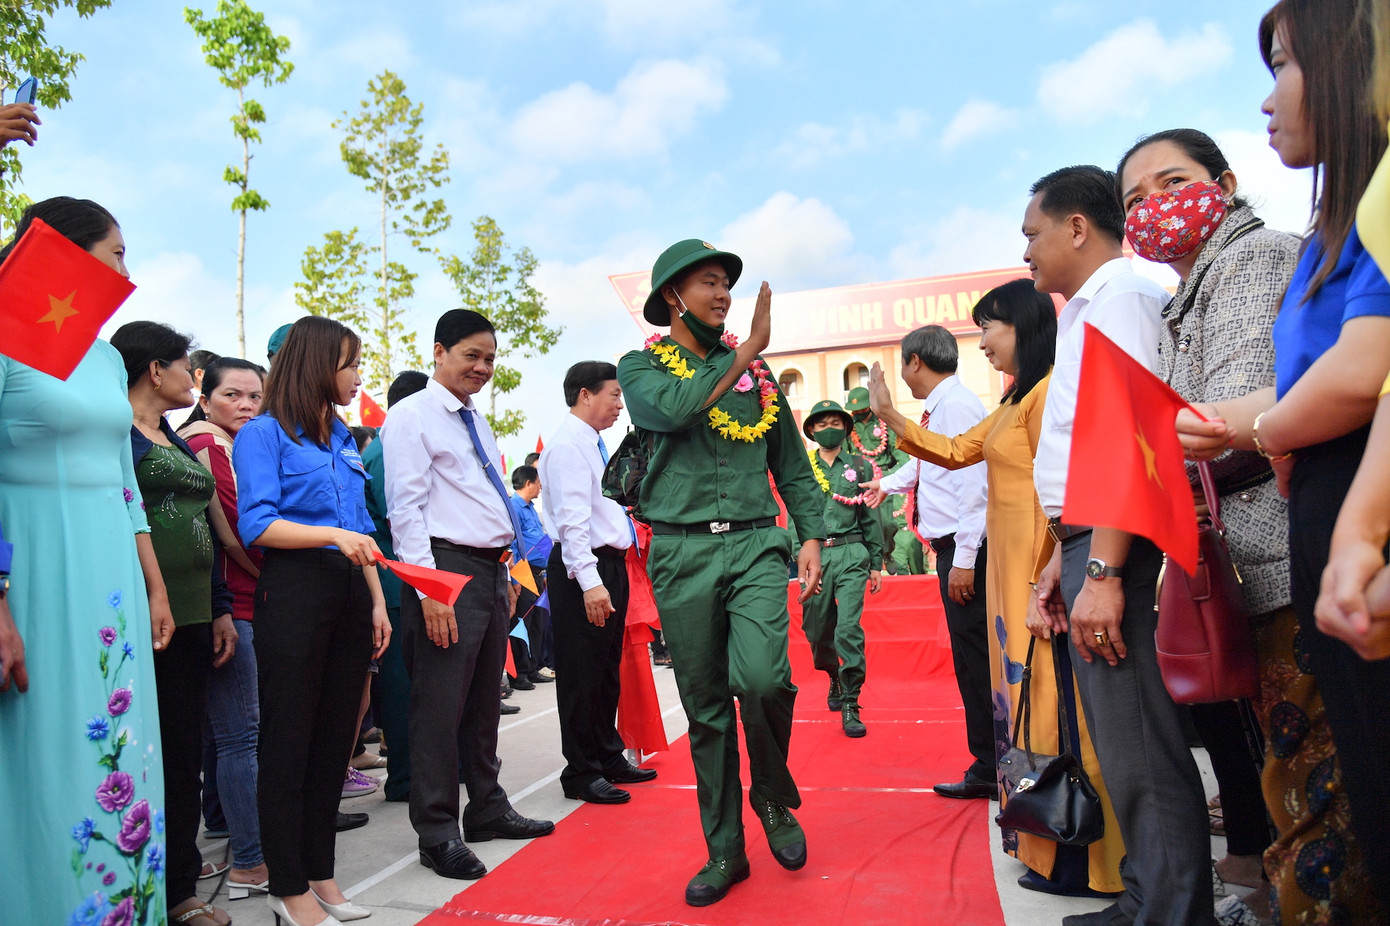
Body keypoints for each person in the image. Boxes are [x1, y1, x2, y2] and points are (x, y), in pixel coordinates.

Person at [1118, 127, 1382, 923]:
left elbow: (1224, 414)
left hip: (1274, 540)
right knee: (1286, 764)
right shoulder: (1191, 290)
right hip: (1248, 555)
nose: (1155, 208)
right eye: (1136, 199)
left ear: (1224, 182)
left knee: (1315, 777)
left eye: (1173, 183)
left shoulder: (1250, 258)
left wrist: (1170, 440)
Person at [1178, 2, 1390, 915]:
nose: (1269, 99)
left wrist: (1257, 435)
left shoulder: (1280, 248)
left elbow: (1363, 369)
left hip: (1352, 511)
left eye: (1285, 67)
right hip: (1329, 514)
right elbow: (1310, 381)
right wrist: (1223, 423)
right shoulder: (1337, 223)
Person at [866, 281, 1129, 901]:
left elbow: (1071, 491)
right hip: (1008, 581)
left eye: (992, 327)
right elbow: (956, 452)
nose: (981, 342)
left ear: (1029, 329)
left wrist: (1056, 569)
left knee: (1062, 709)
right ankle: (1041, 841)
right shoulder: (1013, 404)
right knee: (1024, 705)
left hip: (1042, 577)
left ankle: (1087, 859)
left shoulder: (1048, 396)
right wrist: (888, 417)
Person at [1024, 165, 1209, 926]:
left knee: (1138, 738)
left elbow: (1133, 443)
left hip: (1115, 543)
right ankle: (1146, 895)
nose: (1028, 252)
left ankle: (1172, 910)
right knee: (1123, 743)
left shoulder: (1124, 299)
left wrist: (1102, 568)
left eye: (1033, 234)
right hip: (1087, 540)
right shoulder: (1086, 311)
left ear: (1075, 226)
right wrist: (1063, 563)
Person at [616, 238, 826, 907]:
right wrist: (744, 351)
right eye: (707, 282)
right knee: (706, 712)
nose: (722, 294)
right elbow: (671, 411)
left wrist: (813, 533)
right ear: (672, 297)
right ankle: (725, 850)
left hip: (756, 546)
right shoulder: (640, 368)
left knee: (764, 680)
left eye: (725, 284)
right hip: (678, 554)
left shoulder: (758, 380)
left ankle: (771, 796)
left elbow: (791, 463)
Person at [0, 196, 173, 926]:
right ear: (59, 255)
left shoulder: (104, 357)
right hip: (34, 567)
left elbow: (125, 480)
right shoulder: (5, 336)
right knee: (45, 749)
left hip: (112, 580)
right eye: (114, 253)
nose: (125, 270)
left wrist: (154, 585)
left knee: (120, 740)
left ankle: (127, 910)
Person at [382, 309, 555, 883]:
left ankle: (486, 807)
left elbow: (484, 499)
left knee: (484, 696)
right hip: (443, 570)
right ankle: (436, 832)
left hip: (486, 569)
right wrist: (430, 589)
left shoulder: (473, 419)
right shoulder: (412, 416)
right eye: (469, 356)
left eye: (489, 358)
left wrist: (504, 570)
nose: (481, 368)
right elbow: (404, 508)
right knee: (438, 706)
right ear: (439, 352)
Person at [233, 316, 391, 926]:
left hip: (352, 589)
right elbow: (257, 524)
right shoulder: (263, 434)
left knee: (335, 743)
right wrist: (330, 536)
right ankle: (287, 883)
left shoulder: (342, 437)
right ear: (318, 365)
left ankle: (321, 874)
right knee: (289, 740)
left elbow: (364, 532)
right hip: (296, 591)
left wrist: (376, 600)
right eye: (350, 364)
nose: (356, 376)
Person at [114, 322, 237, 926]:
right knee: (145, 756)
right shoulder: (115, 436)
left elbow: (207, 527)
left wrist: (219, 606)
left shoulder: (172, 435)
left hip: (193, 616)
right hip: (140, 619)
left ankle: (180, 885)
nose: (195, 377)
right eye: (187, 367)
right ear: (154, 370)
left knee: (185, 751)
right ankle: (149, 884)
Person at [861, 326, 992, 798]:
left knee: (975, 657)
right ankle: (990, 760)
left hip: (963, 544)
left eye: (902, 363)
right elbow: (925, 463)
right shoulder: (941, 407)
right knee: (969, 655)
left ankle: (990, 765)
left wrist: (966, 559)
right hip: (955, 545)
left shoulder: (955, 406)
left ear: (915, 361)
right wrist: (887, 484)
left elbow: (973, 485)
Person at [539, 360, 655, 803]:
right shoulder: (569, 445)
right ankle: (581, 771)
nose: (619, 405)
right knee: (581, 672)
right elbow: (571, 522)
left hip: (608, 565)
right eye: (613, 395)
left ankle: (607, 755)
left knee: (606, 669)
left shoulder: (593, 443)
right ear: (585, 394)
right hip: (582, 568)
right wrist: (589, 581)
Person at [178, 357, 272, 895]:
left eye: (254, 397)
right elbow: (242, 528)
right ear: (204, 395)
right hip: (231, 603)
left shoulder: (224, 444)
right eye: (233, 395)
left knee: (226, 736)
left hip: (230, 601)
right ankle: (251, 863)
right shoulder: (210, 446)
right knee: (241, 736)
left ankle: (226, 827)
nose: (245, 406)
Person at [362, 370, 429, 803]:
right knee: (404, 687)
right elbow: (401, 514)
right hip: (395, 582)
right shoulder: (390, 450)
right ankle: (406, 777)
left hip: (399, 580)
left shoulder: (386, 446)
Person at [798, 399, 882, 738]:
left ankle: (851, 700)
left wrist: (876, 562)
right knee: (818, 630)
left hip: (851, 552)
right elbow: (796, 517)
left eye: (835, 422)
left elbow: (870, 515)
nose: (828, 428)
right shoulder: (802, 468)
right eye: (821, 424)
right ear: (812, 431)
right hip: (816, 555)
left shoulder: (860, 467)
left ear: (846, 429)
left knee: (847, 628)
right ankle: (832, 673)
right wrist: (801, 562)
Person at [506, 464, 551, 688]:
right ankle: (520, 672)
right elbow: (513, 545)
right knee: (522, 620)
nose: (540, 486)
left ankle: (533, 667)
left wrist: (545, 571)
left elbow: (539, 539)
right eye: (538, 482)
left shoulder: (530, 507)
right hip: (522, 572)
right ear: (528, 483)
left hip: (536, 572)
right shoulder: (513, 506)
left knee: (537, 621)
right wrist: (515, 579)